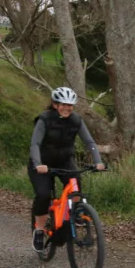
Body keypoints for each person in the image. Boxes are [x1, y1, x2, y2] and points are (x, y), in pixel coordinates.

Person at [29, 87, 105, 252]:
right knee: (43, 195)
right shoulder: (44, 120)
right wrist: (37, 164)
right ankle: (39, 230)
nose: (67, 108)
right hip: (42, 163)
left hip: (64, 161)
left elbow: (89, 142)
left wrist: (98, 161)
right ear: (55, 104)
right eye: (63, 104)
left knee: (76, 184)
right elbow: (35, 144)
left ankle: (76, 212)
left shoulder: (76, 120)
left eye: (70, 105)